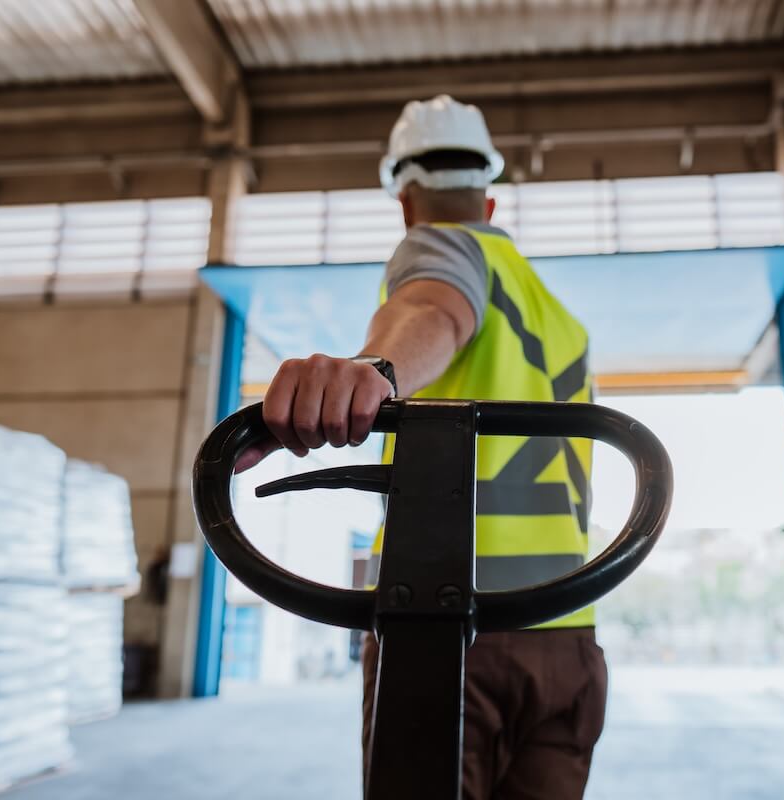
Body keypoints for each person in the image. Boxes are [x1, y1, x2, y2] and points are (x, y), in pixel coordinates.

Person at [238, 95, 606, 799]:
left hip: (450, 627)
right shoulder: (558, 320)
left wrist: (375, 371)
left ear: (406, 201)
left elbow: (431, 307)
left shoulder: (440, 244)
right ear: (490, 202)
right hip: (567, 638)